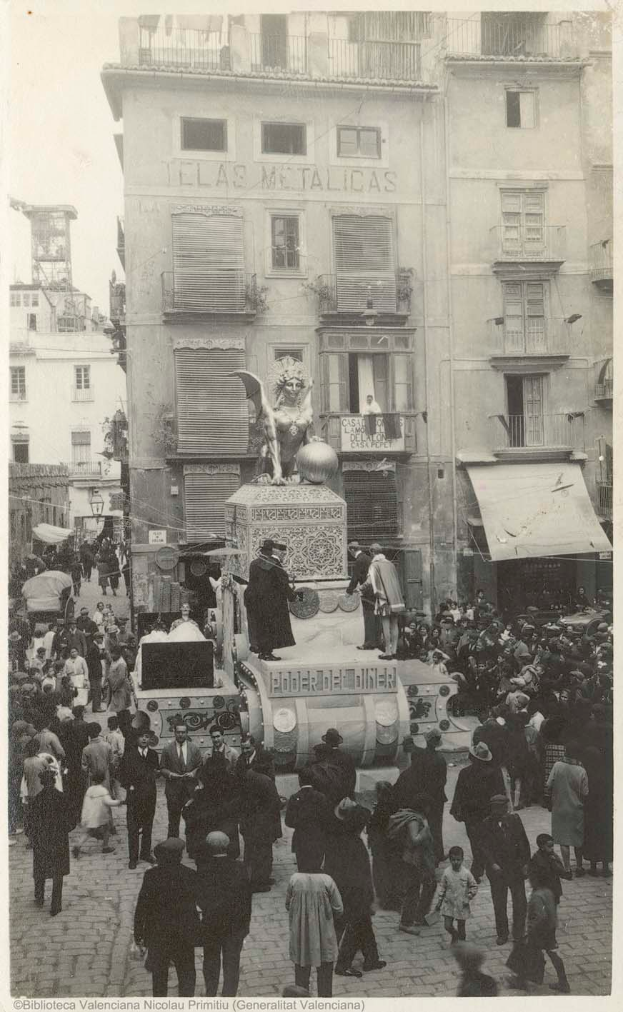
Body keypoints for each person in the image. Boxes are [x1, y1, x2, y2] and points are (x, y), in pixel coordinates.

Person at [324, 798, 386, 977]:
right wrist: (368, 898)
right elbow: (362, 876)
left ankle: (371, 959)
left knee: (365, 925)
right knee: (357, 926)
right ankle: (342, 965)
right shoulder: (355, 845)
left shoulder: (340, 838)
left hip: (343, 890)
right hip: (355, 894)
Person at [133, 838, 200, 997]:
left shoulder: (151, 875)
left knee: (159, 976)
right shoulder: (190, 875)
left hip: (158, 934)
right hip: (183, 934)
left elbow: (142, 906)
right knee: (187, 973)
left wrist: (138, 934)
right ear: (180, 856)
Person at [197, 831, 253, 997]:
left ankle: (211, 993)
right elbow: (246, 901)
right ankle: (229, 996)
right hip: (234, 926)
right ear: (227, 846)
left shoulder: (203, 869)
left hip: (211, 924)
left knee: (211, 961)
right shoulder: (240, 868)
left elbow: (200, 898)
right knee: (232, 963)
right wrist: (245, 926)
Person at [476, 794, 530, 946]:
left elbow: (523, 842)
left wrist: (525, 863)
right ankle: (502, 933)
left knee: (520, 902)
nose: (503, 811)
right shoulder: (486, 824)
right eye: (499, 808)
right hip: (498, 870)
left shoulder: (515, 820)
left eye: (504, 808)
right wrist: (492, 863)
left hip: (515, 868)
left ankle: (519, 932)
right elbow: (483, 847)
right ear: (493, 809)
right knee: (499, 902)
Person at [506, 867, 570, 993]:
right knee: (552, 953)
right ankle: (563, 981)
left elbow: (539, 916)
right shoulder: (548, 892)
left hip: (539, 931)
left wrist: (530, 930)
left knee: (523, 951)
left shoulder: (537, 896)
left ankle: (521, 980)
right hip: (550, 929)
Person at [286, 860, 343, 997]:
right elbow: (339, 908)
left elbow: (288, 904)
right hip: (324, 933)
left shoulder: (295, 879)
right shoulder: (327, 880)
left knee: (301, 975)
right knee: (325, 974)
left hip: (301, 934)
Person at [450, 740, 505, 882]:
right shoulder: (495, 772)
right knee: (487, 838)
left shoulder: (465, 773)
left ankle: (478, 867)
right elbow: (501, 793)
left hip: (471, 813)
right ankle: (483, 865)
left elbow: (459, 794)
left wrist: (456, 810)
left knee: (475, 840)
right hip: (489, 812)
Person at [394, 728, 447, 864]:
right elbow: (443, 781)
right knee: (436, 826)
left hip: (421, 798)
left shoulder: (420, 756)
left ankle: (427, 853)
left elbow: (413, 751)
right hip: (437, 798)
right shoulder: (440, 759)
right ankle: (438, 854)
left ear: (427, 741)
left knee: (420, 825)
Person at [387, 792, 436, 936]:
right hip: (412, 860)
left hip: (415, 859)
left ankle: (415, 917)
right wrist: (426, 829)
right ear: (424, 806)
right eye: (428, 806)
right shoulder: (414, 819)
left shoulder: (416, 816)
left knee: (419, 888)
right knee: (413, 891)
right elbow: (414, 839)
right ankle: (406, 923)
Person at [244, 539, 301, 661]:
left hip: (254, 601)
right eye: (283, 554)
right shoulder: (274, 565)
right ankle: (266, 653)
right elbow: (283, 585)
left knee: (259, 626)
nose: (284, 556)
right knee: (271, 628)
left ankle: (261, 651)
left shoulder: (254, 563)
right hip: (271, 603)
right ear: (276, 553)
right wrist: (294, 597)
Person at [29, 767, 72, 916]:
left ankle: (39, 897)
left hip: (42, 839)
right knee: (57, 871)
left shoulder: (36, 799)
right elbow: (71, 819)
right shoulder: (61, 797)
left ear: (42, 783)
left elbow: (31, 823)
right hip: (58, 839)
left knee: (40, 867)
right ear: (54, 781)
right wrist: (65, 830)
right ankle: (55, 905)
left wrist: (33, 838)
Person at [546, 740, 588, 876]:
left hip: (559, 807)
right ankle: (580, 867)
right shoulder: (581, 770)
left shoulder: (557, 766)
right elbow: (585, 792)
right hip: (576, 808)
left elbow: (548, 784)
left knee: (564, 840)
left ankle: (567, 869)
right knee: (577, 839)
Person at [119, 730, 160, 869]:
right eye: (141, 736)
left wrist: (154, 776)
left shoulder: (153, 755)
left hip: (149, 796)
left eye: (146, 737)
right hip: (134, 797)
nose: (144, 739)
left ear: (150, 740)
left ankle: (146, 853)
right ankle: (133, 857)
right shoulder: (129, 755)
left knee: (148, 826)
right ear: (137, 739)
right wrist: (128, 785)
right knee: (133, 828)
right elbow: (120, 774)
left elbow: (157, 772)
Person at [239, 768, 282, 892]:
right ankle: (258, 882)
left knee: (251, 852)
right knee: (262, 853)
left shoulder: (248, 776)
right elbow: (275, 803)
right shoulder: (266, 780)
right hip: (261, 823)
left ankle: (258, 879)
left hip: (249, 822)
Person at [362, 544, 405, 660]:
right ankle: (394, 650)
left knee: (385, 624)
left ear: (372, 552)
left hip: (384, 598)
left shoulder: (374, 565)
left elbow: (370, 581)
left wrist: (360, 588)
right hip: (395, 597)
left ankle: (388, 652)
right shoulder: (390, 564)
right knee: (394, 624)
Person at [160, 722, 203, 838]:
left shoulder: (194, 749)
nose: (180, 734)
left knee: (192, 819)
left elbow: (200, 766)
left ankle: (193, 847)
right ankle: (173, 849)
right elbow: (162, 768)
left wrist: (193, 773)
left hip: (190, 790)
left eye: (183, 732)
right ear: (174, 733)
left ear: (187, 733)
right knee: (173, 821)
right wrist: (170, 774)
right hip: (173, 791)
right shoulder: (167, 749)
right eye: (178, 732)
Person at [285, 767, 332, 872]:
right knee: (316, 869)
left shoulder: (294, 798)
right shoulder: (321, 797)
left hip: (301, 840)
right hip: (318, 839)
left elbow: (289, 822)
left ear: (299, 780)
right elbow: (327, 819)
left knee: (303, 870)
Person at [366, 781, 401, 911]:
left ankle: (385, 899)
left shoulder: (381, 808)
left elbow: (374, 826)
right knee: (391, 870)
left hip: (380, 844)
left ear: (380, 793)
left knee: (381, 871)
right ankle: (393, 898)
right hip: (392, 844)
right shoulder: (394, 804)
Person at [72, 769, 123, 856]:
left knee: (88, 832)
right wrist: (119, 802)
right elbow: (108, 802)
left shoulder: (89, 790)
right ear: (103, 779)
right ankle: (105, 846)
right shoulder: (103, 791)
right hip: (100, 817)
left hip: (90, 816)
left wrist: (84, 816)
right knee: (107, 830)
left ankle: (78, 845)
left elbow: (86, 803)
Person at [434, 846, 479, 944]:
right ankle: (454, 934)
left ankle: (461, 942)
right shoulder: (446, 872)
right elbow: (442, 887)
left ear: (462, 859)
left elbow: (474, 886)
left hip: (461, 904)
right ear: (450, 860)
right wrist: (439, 901)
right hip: (449, 904)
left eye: (458, 860)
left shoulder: (466, 873)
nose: (456, 862)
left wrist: (469, 897)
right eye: (453, 860)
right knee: (447, 925)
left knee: (461, 925)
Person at [582, 744, 613, 877]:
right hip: (604, 812)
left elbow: (584, 793)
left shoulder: (586, 774)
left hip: (590, 812)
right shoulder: (606, 772)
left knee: (592, 837)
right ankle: (605, 867)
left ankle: (593, 866)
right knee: (605, 836)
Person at [345, 542, 379, 651]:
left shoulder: (359, 560)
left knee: (368, 617)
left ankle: (369, 643)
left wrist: (349, 591)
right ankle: (375, 641)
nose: (349, 554)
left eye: (349, 551)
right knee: (374, 617)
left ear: (352, 550)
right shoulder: (367, 558)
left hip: (367, 593)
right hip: (373, 591)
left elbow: (355, 577)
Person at [528, 834, 572, 905]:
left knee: (553, 906)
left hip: (554, 887)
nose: (552, 848)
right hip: (542, 887)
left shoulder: (553, 856)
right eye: (549, 846)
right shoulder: (536, 858)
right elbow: (532, 874)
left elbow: (561, 871)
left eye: (552, 846)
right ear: (542, 847)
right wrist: (536, 887)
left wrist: (555, 862)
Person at [317, 727, 356, 799]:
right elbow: (352, 778)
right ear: (338, 742)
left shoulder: (324, 758)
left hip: (329, 796)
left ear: (326, 742)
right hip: (345, 795)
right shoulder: (347, 757)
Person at [106, 646, 133, 738]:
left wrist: (114, 687)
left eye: (113, 654)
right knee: (119, 709)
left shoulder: (121, 663)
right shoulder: (114, 660)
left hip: (121, 689)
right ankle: (124, 726)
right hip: (116, 688)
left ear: (118, 654)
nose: (112, 655)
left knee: (121, 708)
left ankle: (126, 729)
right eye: (111, 653)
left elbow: (121, 677)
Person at [86, 632, 106, 713]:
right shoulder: (93, 647)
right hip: (95, 673)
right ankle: (96, 707)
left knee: (96, 690)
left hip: (95, 672)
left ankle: (96, 706)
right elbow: (93, 661)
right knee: (96, 690)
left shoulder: (94, 646)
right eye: (101, 638)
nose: (102, 640)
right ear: (97, 638)